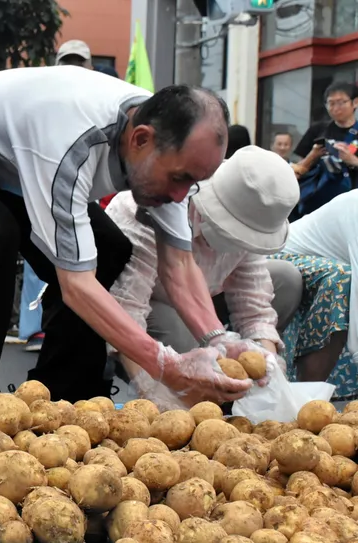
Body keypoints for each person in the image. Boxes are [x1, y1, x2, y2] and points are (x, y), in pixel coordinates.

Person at [0, 65, 260, 404]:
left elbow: (179, 266)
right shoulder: (74, 146)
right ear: (140, 139)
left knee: (110, 250)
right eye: (179, 178)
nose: (182, 196)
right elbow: (76, 286)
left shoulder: (163, 145)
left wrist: (218, 339)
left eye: (193, 183)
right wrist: (163, 364)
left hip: (29, 167)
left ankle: (61, 393)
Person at [106, 147, 302, 408]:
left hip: (207, 301)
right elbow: (126, 309)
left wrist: (265, 360)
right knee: (178, 330)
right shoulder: (150, 208)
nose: (239, 244)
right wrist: (151, 389)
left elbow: (253, 303)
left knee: (286, 278)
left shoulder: (252, 215)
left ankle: (226, 374)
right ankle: (176, 380)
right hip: (147, 305)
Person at [273, 190, 358, 399]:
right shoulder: (355, 206)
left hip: (326, 269)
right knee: (342, 278)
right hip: (282, 262)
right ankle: (306, 397)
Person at [292, 82, 357, 189]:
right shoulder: (317, 130)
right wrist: (312, 155)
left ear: (355, 102)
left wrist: (352, 160)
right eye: (331, 103)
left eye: (341, 103)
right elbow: (297, 170)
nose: (336, 108)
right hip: (319, 196)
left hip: (352, 197)